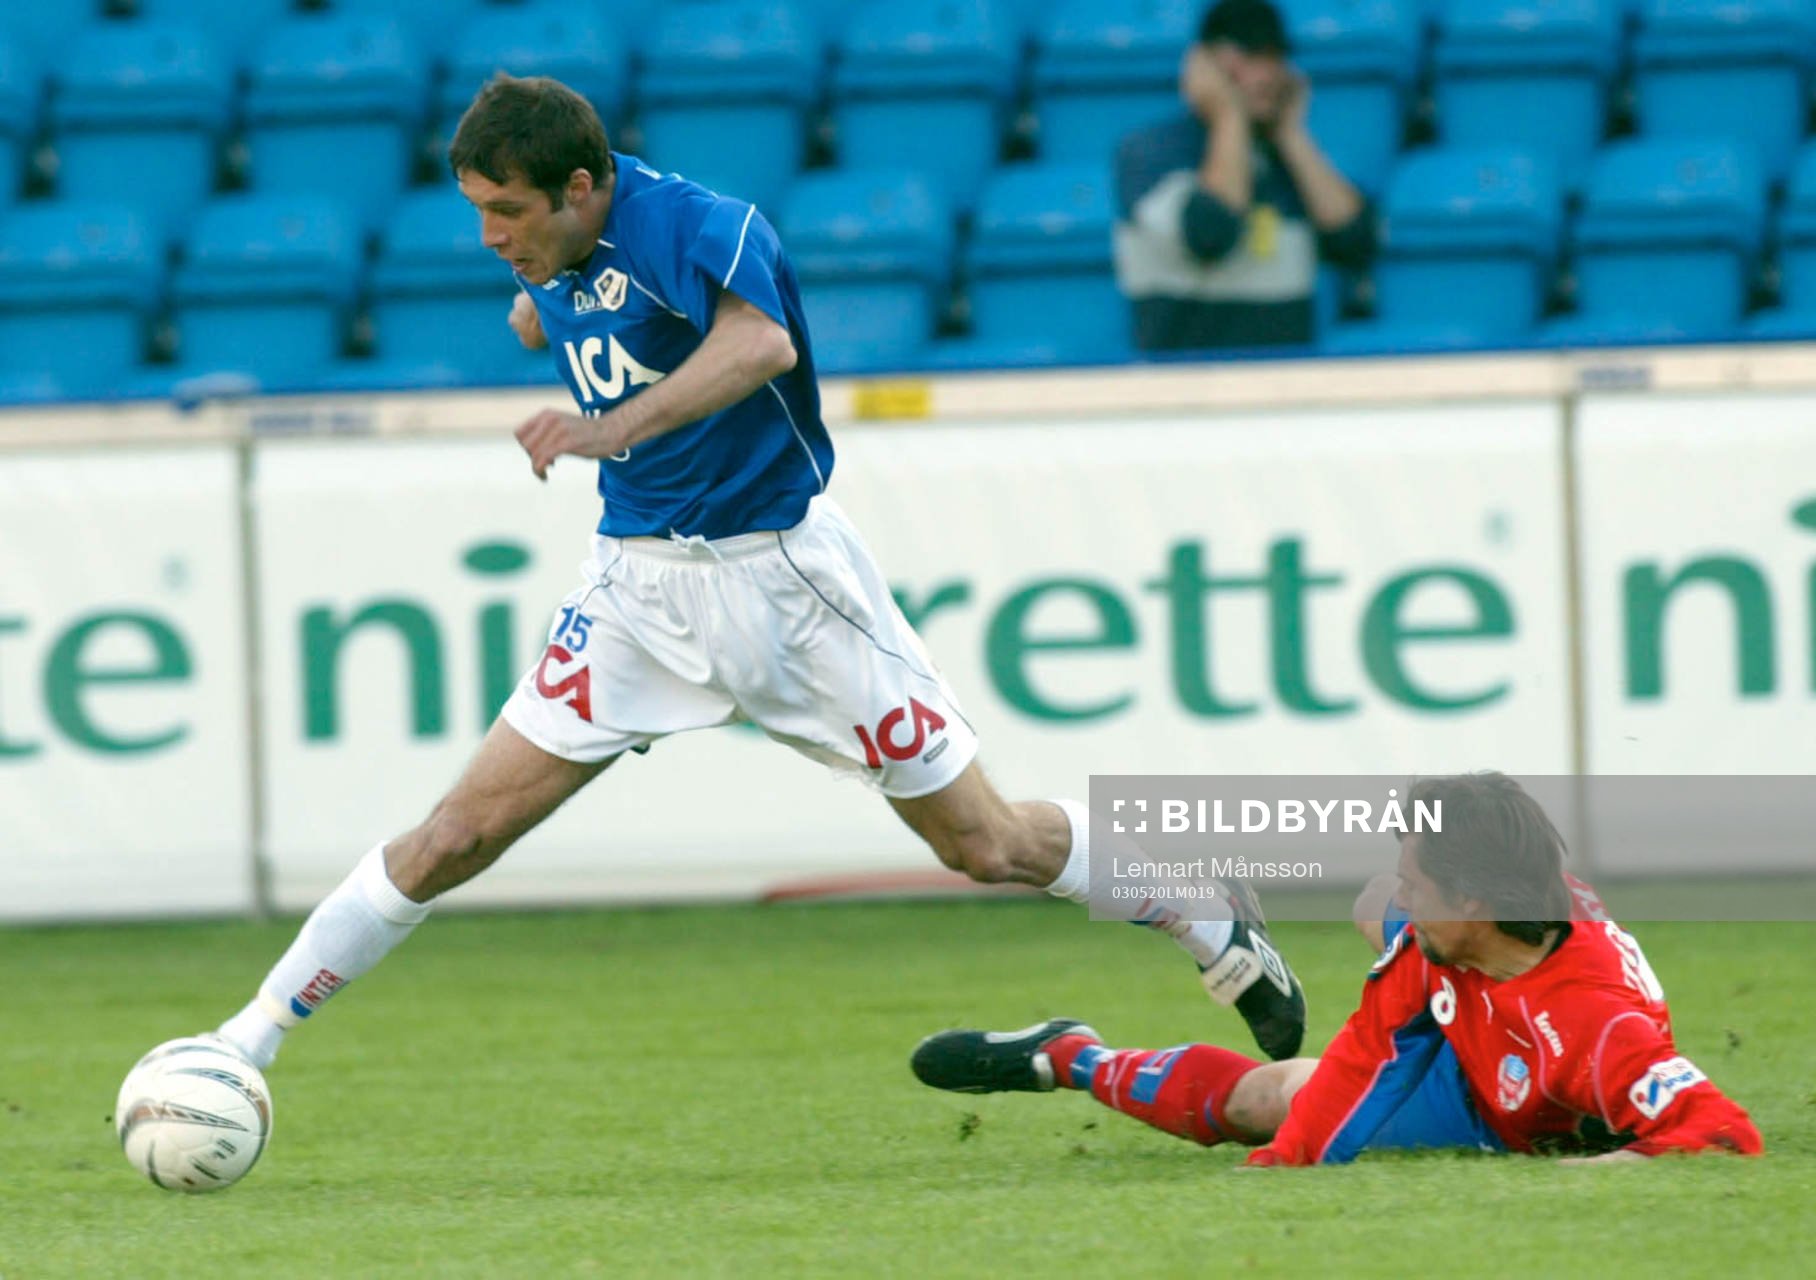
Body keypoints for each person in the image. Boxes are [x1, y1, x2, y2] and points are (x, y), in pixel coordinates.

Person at [206, 73, 1306, 1073]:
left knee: (986, 841)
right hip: (635, 590)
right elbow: (579, 310)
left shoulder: (696, 224)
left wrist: (607, 425)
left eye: (507, 212)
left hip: (786, 584)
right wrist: (545, 300)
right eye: (477, 212)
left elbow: (759, 347)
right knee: (456, 834)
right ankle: (239, 1043)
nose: (489, 235)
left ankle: (1195, 906)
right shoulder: (569, 251)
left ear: (581, 187)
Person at [913, 773, 1763, 1164]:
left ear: (1470, 904)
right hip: (1466, 1010)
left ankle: (1068, 1055)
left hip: (1495, 1096)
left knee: (1269, 1098)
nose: (1408, 889)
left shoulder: (1594, 1029)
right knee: (1363, 932)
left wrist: (1600, 1169)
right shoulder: (1476, 922)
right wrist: (1288, 1160)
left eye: (1420, 882)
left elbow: (1724, 1132)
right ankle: (1109, 1030)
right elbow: (1363, 1053)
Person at [1113, 0, 1376, 353]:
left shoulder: (1289, 161)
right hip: (1181, 392)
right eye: (1249, 57)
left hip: (1284, 392)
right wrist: (1228, 117)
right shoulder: (1150, 154)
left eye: (1275, 58)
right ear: (1202, 65)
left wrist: (1292, 136)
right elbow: (1211, 232)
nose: (1266, 75)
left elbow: (1355, 242)